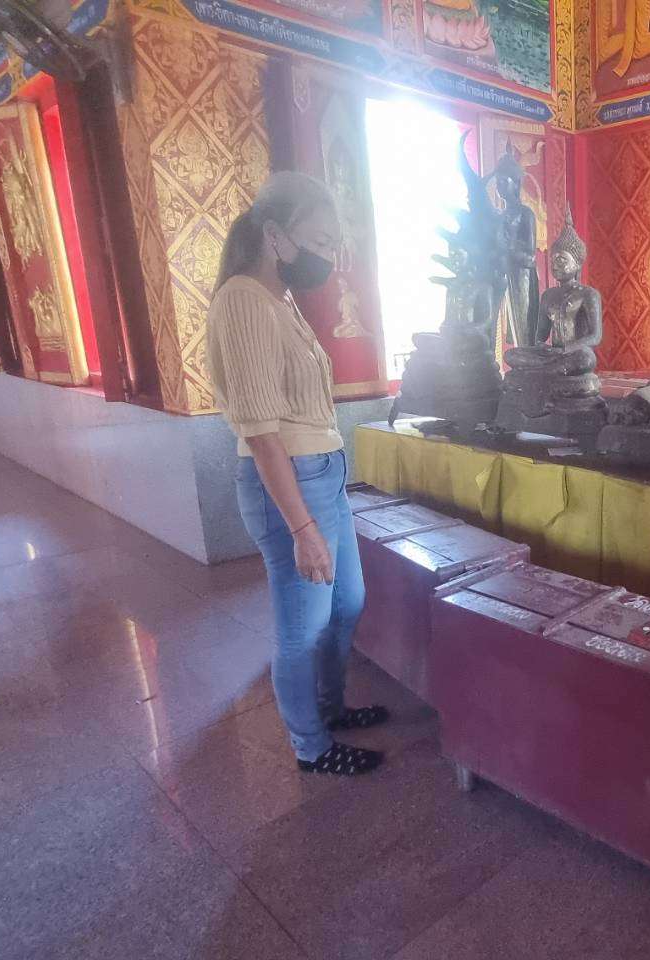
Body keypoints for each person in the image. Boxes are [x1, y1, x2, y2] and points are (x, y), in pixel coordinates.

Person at [206, 172, 389, 777]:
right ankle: (311, 745)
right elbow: (262, 433)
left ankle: (330, 709)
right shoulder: (243, 300)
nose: (329, 257)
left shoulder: (279, 300)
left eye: (334, 244)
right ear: (275, 235)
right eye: (321, 240)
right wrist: (303, 529)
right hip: (288, 481)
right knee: (302, 628)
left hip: (323, 472)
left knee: (347, 602)